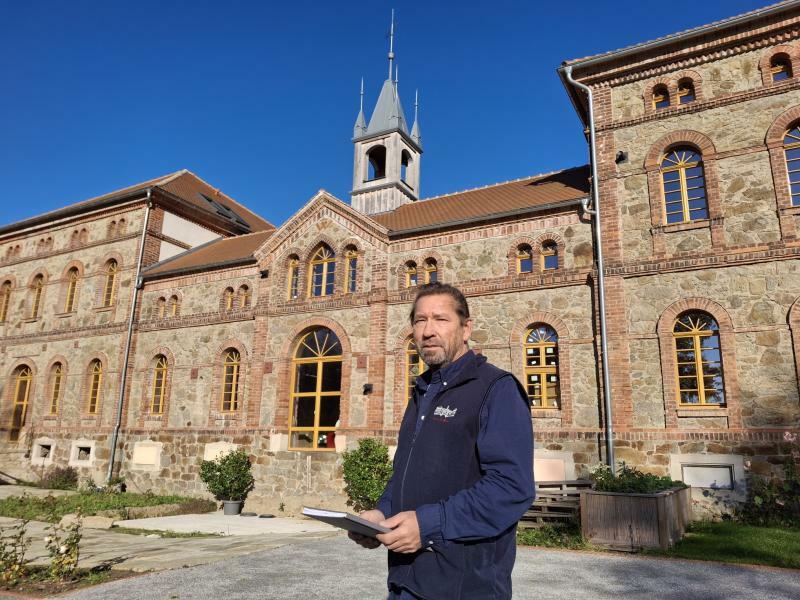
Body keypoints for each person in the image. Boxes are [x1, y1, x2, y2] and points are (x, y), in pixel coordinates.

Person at [350, 282, 535, 599]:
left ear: (466, 329)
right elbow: (408, 474)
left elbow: (512, 487)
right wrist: (381, 514)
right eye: (420, 320)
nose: (427, 331)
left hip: (465, 586)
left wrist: (428, 525)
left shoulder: (496, 389)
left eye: (440, 319)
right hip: (406, 580)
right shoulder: (422, 392)